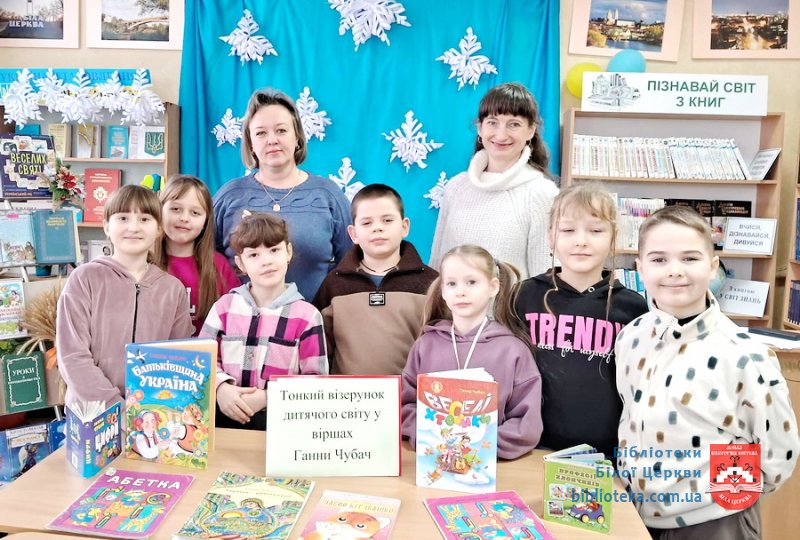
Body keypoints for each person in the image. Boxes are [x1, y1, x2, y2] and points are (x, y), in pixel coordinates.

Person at [616, 205, 799, 539]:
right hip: (636, 515)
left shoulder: (745, 355)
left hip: (715, 523)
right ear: (639, 268)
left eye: (690, 258)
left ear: (713, 266)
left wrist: (712, 497)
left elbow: (777, 458)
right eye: (659, 260)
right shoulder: (631, 337)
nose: (674, 271)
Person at [514, 183, 648, 458]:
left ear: (613, 238)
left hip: (605, 455)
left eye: (596, 230)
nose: (581, 241)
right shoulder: (524, 296)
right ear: (551, 236)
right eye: (568, 230)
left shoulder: (633, 307)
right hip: (533, 448)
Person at [401, 244, 542, 459]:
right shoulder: (425, 345)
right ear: (443, 292)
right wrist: (430, 439)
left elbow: (526, 422)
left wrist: (479, 449)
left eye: (472, 282)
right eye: (451, 283)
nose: (461, 291)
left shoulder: (513, 350)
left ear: (493, 287)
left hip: (493, 467)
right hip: (432, 460)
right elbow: (405, 404)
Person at [57, 185, 194, 406]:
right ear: (106, 227)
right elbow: (72, 355)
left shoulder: (173, 289)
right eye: (122, 218)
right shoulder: (84, 279)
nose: (133, 227)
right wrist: (115, 407)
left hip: (151, 413)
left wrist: (152, 407)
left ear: (159, 229)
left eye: (144, 219)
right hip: (92, 414)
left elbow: (179, 357)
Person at [213, 88, 352, 300]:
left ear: (297, 136)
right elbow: (203, 263)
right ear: (250, 144)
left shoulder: (328, 196)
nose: (272, 140)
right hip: (241, 328)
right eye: (261, 133)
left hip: (313, 325)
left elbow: (351, 267)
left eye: (281, 130)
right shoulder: (229, 197)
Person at [200, 212, 328, 430]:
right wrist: (221, 389)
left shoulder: (307, 317)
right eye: (254, 255)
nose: (266, 261)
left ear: (288, 252)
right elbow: (202, 361)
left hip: (282, 425)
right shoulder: (224, 307)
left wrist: (268, 397)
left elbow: (316, 381)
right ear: (240, 263)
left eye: (274, 250)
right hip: (221, 419)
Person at [429, 82, 558, 279]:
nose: (501, 134)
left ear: (531, 131)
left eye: (514, 124)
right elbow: (438, 265)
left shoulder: (542, 193)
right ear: (480, 128)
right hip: (451, 310)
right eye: (492, 122)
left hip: (511, 310)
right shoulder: (456, 187)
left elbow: (545, 279)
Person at [313, 184, 438, 375]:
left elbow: (442, 347)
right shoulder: (335, 284)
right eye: (366, 223)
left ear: (404, 227)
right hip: (347, 400)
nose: (377, 228)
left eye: (387, 220)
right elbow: (319, 350)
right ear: (353, 234)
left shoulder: (430, 283)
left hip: (409, 399)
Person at [156, 174, 240, 335]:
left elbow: (235, 322)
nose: (184, 218)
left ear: (205, 221)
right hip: (153, 358)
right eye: (175, 209)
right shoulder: (145, 263)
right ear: (160, 210)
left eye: (195, 213)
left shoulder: (219, 266)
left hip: (206, 358)